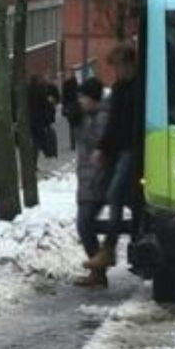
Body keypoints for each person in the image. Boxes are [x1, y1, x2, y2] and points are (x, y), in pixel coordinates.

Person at [85, 43, 140, 271]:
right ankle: (113, 246)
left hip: (132, 149)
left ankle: (109, 247)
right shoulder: (120, 88)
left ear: (128, 64)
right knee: (117, 194)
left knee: (116, 193)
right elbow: (113, 124)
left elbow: (122, 123)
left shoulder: (138, 88)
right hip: (120, 150)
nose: (116, 71)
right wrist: (103, 149)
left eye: (118, 66)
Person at [73, 77, 110, 287]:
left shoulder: (101, 118)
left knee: (85, 223)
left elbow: (98, 145)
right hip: (88, 179)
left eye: (83, 97)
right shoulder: (89, 116)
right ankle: (98, 271)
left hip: (95, 180)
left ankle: (99, 271)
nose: (80, 101)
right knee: (85, 224)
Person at [62, 68, 82, 152]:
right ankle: (76, 143)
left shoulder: (67, 84)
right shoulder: (76, 83)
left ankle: (73, 144)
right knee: (75, 125)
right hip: (75, 106)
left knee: (72, 126)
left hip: (70, 107)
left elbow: (64, 97)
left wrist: (64, 107)